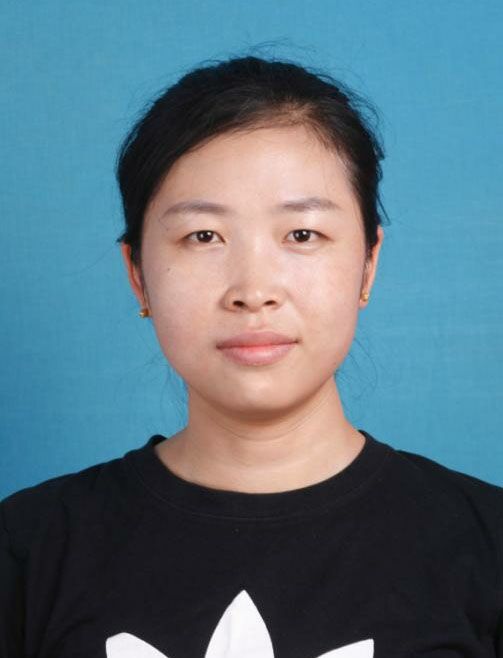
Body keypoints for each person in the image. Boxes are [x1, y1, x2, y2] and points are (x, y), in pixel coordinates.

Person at [1, 55, 502, 658]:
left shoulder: (486, 546)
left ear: (368, 264)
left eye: (302, 235)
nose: (254, 289)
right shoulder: (27, 550)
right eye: (203, 236)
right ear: (138, 275)